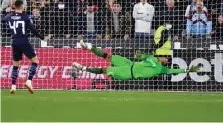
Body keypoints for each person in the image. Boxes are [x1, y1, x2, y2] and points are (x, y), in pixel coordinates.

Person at [73, 40, 201, 80]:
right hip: (129, 63)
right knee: (109, 56)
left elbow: (172, 71)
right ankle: (88, 47)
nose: (166, 59)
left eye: (167, 59)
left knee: (105, 70)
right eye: (165, 57)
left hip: (129, 73)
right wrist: (139, 55)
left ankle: (82, 68)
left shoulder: (161, 69)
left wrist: (188, 69)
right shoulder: (152, 57)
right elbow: (140, 56)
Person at [1, 0, 49, 94]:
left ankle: (13, 86)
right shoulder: (25, 17)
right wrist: (42, 37)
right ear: (22, 6)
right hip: (23, 41)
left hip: (14, 41)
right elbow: (33, 30)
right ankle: (29, 81)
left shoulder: (9, 16)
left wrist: (9, 12)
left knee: (15, 64)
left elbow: (3, 20)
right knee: (35, 61)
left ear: (15, 6)